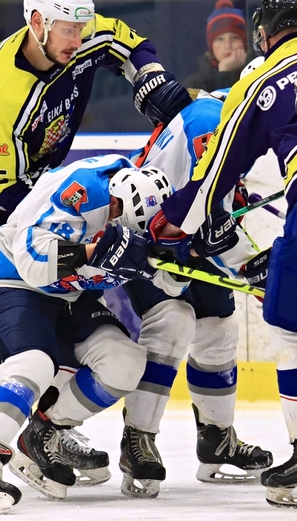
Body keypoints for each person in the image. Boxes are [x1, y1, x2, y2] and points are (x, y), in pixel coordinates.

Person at [0, 0, 192, 493]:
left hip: (34, 193)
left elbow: (126, 41)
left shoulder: (80, 34)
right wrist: (84, 247)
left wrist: (149, 73)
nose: (79, 39)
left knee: (69, 318)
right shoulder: (5, 92)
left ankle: (47, 430)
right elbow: (10, 198)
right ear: (37, 23)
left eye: (82, 28)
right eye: (68, 30)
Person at [150, 0, 297, 509]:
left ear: (263, 35)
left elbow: (215, 175)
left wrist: (174, 224)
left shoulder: (259, 82)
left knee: (294, 331)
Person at [0, 155, 183, 512]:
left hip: (70, 295)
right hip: (10, 282)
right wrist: (94, 251)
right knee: (32, 364)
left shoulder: (146, 217)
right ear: (114, 199)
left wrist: (184, 257)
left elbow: (171, 284)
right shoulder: (81, 191)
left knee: (125, 363)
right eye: (116, 213)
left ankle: (43, 433)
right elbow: (32, 262)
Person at [115, 89, 273, 498]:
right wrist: (251, 268)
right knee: (172, 322)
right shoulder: (212, 123)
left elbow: (208, 212)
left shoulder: (224, 113)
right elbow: (204, 216)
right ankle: (137, 440)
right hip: (146, 238)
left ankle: (218, 438)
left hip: (179, 230)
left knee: (219, 327)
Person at [184, 0, 249, 92]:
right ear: (211, 46)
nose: (227, 46)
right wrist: (224, 71)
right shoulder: (194, 85)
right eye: (220, 39)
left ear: (244, 43)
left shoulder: (258, 75)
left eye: (235, 38)